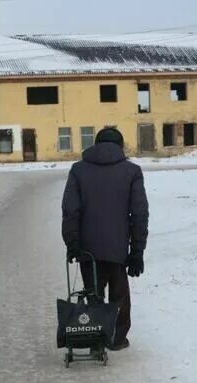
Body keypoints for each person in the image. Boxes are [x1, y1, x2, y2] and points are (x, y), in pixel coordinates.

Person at [61, 128, 149, 351]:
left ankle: (95, 334)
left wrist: (73, 243)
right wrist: (137, 251)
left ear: (95, 144)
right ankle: (117, 339)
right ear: (120, 145)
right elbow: (139, 213)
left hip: (87, 248)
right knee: (119, 295)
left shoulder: (78, 170)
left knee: (94, 293)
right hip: (118, 248)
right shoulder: (132, 171)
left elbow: (70, 210)